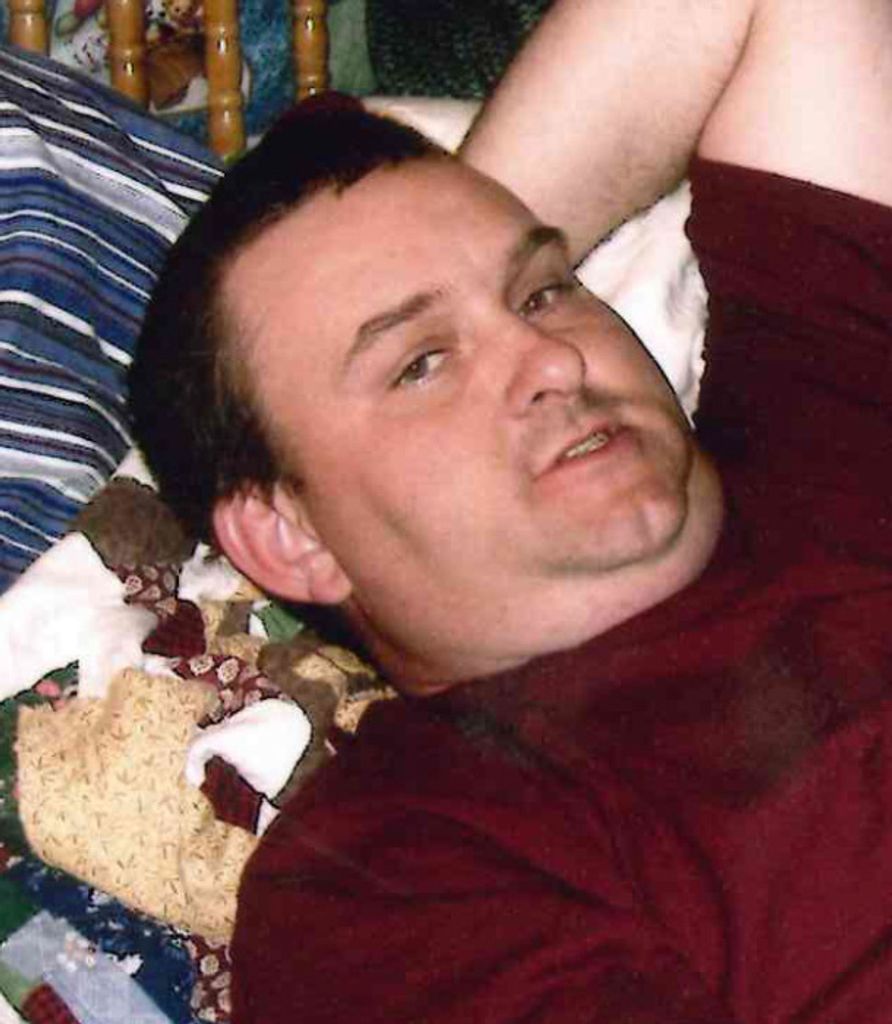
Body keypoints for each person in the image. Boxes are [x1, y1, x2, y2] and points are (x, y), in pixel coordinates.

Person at [129, 0, 892, 1019]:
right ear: (292, 535)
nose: (552, 359)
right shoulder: (395, 874)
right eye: (420, 364)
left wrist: (429, 222)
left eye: (542, 290)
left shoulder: (821, 415)